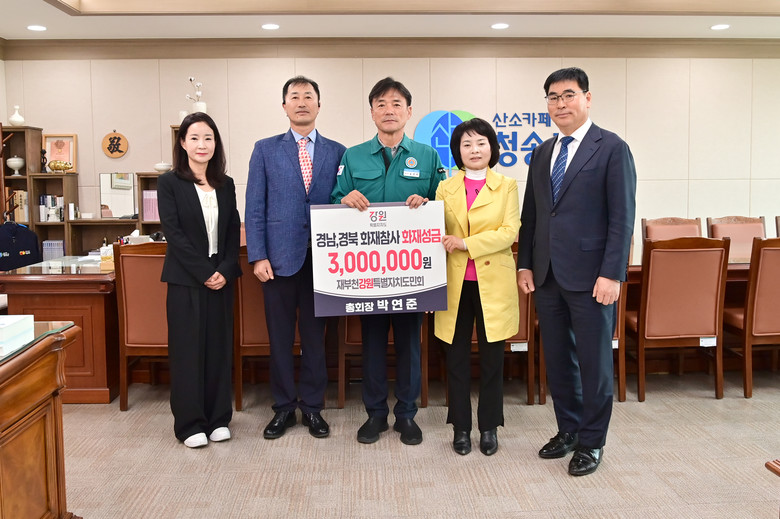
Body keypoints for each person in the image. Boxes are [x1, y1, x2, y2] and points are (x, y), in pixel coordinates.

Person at [517, 67, 636, 475]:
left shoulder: (612, 148)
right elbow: (532, 215)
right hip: (548, 275)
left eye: (568, 95)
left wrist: (612, 273)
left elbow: (622, 218)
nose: (560, 104)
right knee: (558, 360)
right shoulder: (542, 152)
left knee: (594, 363)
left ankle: (592, 441)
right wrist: (526, 264)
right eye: (553, 97)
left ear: (587, 98)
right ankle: (567, 429)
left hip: (593, 277)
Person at [331, 77, 446, 446]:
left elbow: (444, 206)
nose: (389, 110)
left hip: (411, 272)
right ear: (372, 113)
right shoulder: (352, 156)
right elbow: (333, 201)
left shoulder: (427, 156)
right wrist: (344, 199)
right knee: (373, 344)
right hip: (369, 272)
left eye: (396, 104)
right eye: (381, 104)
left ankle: (407, 415)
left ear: (409, 112)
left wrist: (428, 205)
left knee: (410, 344)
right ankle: (375, 414)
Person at [245, 75, 346, 440]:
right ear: (284, 105)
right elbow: (254, 207)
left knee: (316, 340)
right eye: (295, 96)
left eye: (308, 96)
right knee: (280, 338)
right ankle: (284, 408)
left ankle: (313, 408)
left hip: (324, 262)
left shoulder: (338, 151)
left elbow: (344, 201)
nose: (302, 102)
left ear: (319, 104)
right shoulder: (265, 149)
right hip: (277, 261)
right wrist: (258, 256)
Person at [434, 118, 520, 456]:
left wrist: (465, 243)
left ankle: (488, 428)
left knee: (491, 361)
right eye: (466, 144)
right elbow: (435, 231)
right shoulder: (445, 188)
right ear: (457, 151)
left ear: (492, 148)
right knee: (455, 360)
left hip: (493, 284)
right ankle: (460, 428)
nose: (474, 150)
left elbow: (509, 232)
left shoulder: (507, 185)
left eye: (481, 143)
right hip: (455, 285)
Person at [158, 112, 242, 448]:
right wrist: (205, 272)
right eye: (194, 138)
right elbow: (174, 234)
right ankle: (190, 423)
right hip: (186, 279)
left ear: (215, 143)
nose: (202, 144)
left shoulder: (226, 183)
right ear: (182, 143)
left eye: (208, 138)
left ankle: (218, 418)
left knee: (219, 349)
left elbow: (233, 231)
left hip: (221, 277)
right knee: (187, 351)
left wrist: (225, 269)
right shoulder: (169, 183)